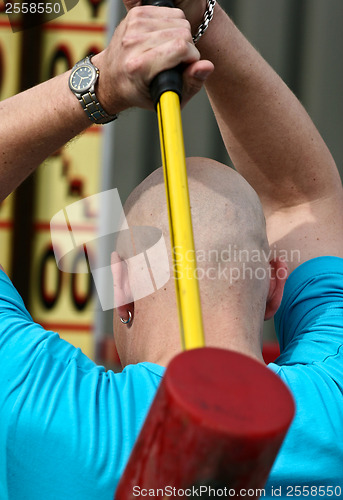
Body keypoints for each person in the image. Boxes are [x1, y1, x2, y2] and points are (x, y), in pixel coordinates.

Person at [0, 0, 342, 498]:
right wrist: (202, 17)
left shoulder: (46, 412)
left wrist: (104, 83)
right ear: (274, 287)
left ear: (122, 288)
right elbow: (303, 200)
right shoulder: (331, 410)